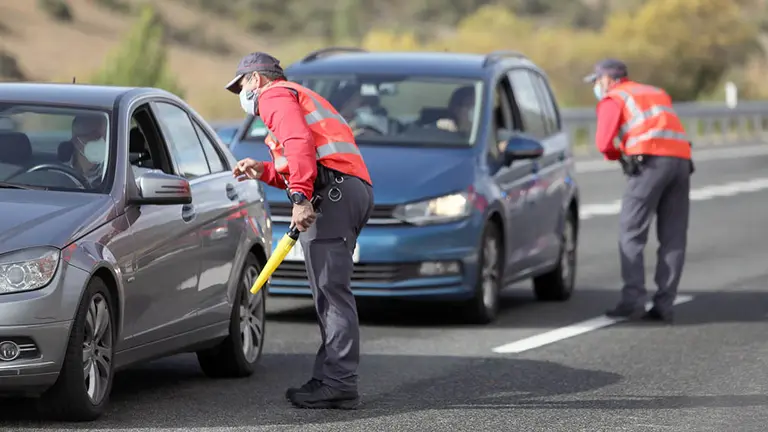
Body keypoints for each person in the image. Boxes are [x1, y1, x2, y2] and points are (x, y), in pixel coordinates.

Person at [225, 52, 374, 409]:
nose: (241, 96)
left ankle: (339, 382)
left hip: (332, 194)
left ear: (256, 80)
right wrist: (263, 170)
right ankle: (328, 378)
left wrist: (300, 198)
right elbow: (302, 160)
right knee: (328, 291)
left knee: (331, 292)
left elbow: (300, 147)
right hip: (344, 190)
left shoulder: (274, 96)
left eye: (241, 85)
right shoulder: (295, 98)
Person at [585, 59, 693, 323]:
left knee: (631, 232)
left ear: (607, 80)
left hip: (650, 164)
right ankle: (664, 304)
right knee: (673, 236)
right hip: (681, 162)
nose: (596, 87)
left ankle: (632, 301)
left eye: (596, 81)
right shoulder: (656, 93)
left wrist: (617, 156)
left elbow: (603, 142)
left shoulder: (614, 98)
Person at [57, 114, 108, 188]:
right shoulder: (62, 174)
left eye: (105, 136)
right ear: (77, 141)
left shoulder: (113, 174)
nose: (103, 141)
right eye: (96, 137)